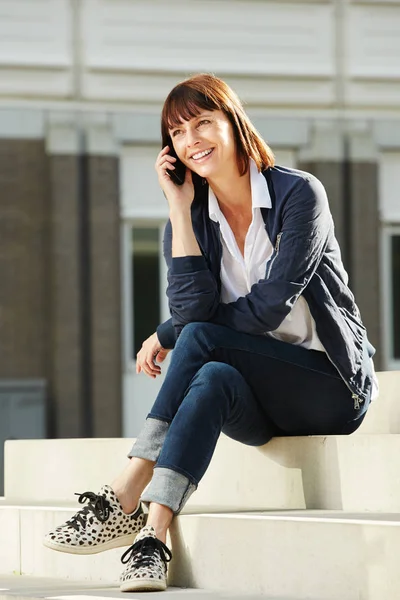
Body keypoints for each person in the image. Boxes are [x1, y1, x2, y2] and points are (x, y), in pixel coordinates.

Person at [43, 73, 378, 592]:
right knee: (212, 374)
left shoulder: (298, 195)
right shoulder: (190, 219)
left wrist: (169, 332)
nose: (192, 139)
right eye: (178, 132)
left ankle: (127, 487)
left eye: (203, 122)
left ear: (234, 124)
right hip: (259, 401)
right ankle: (153, 537)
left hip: (330, 386)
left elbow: (267, 309)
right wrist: (178, 208)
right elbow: (192, 308)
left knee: (200, 340)